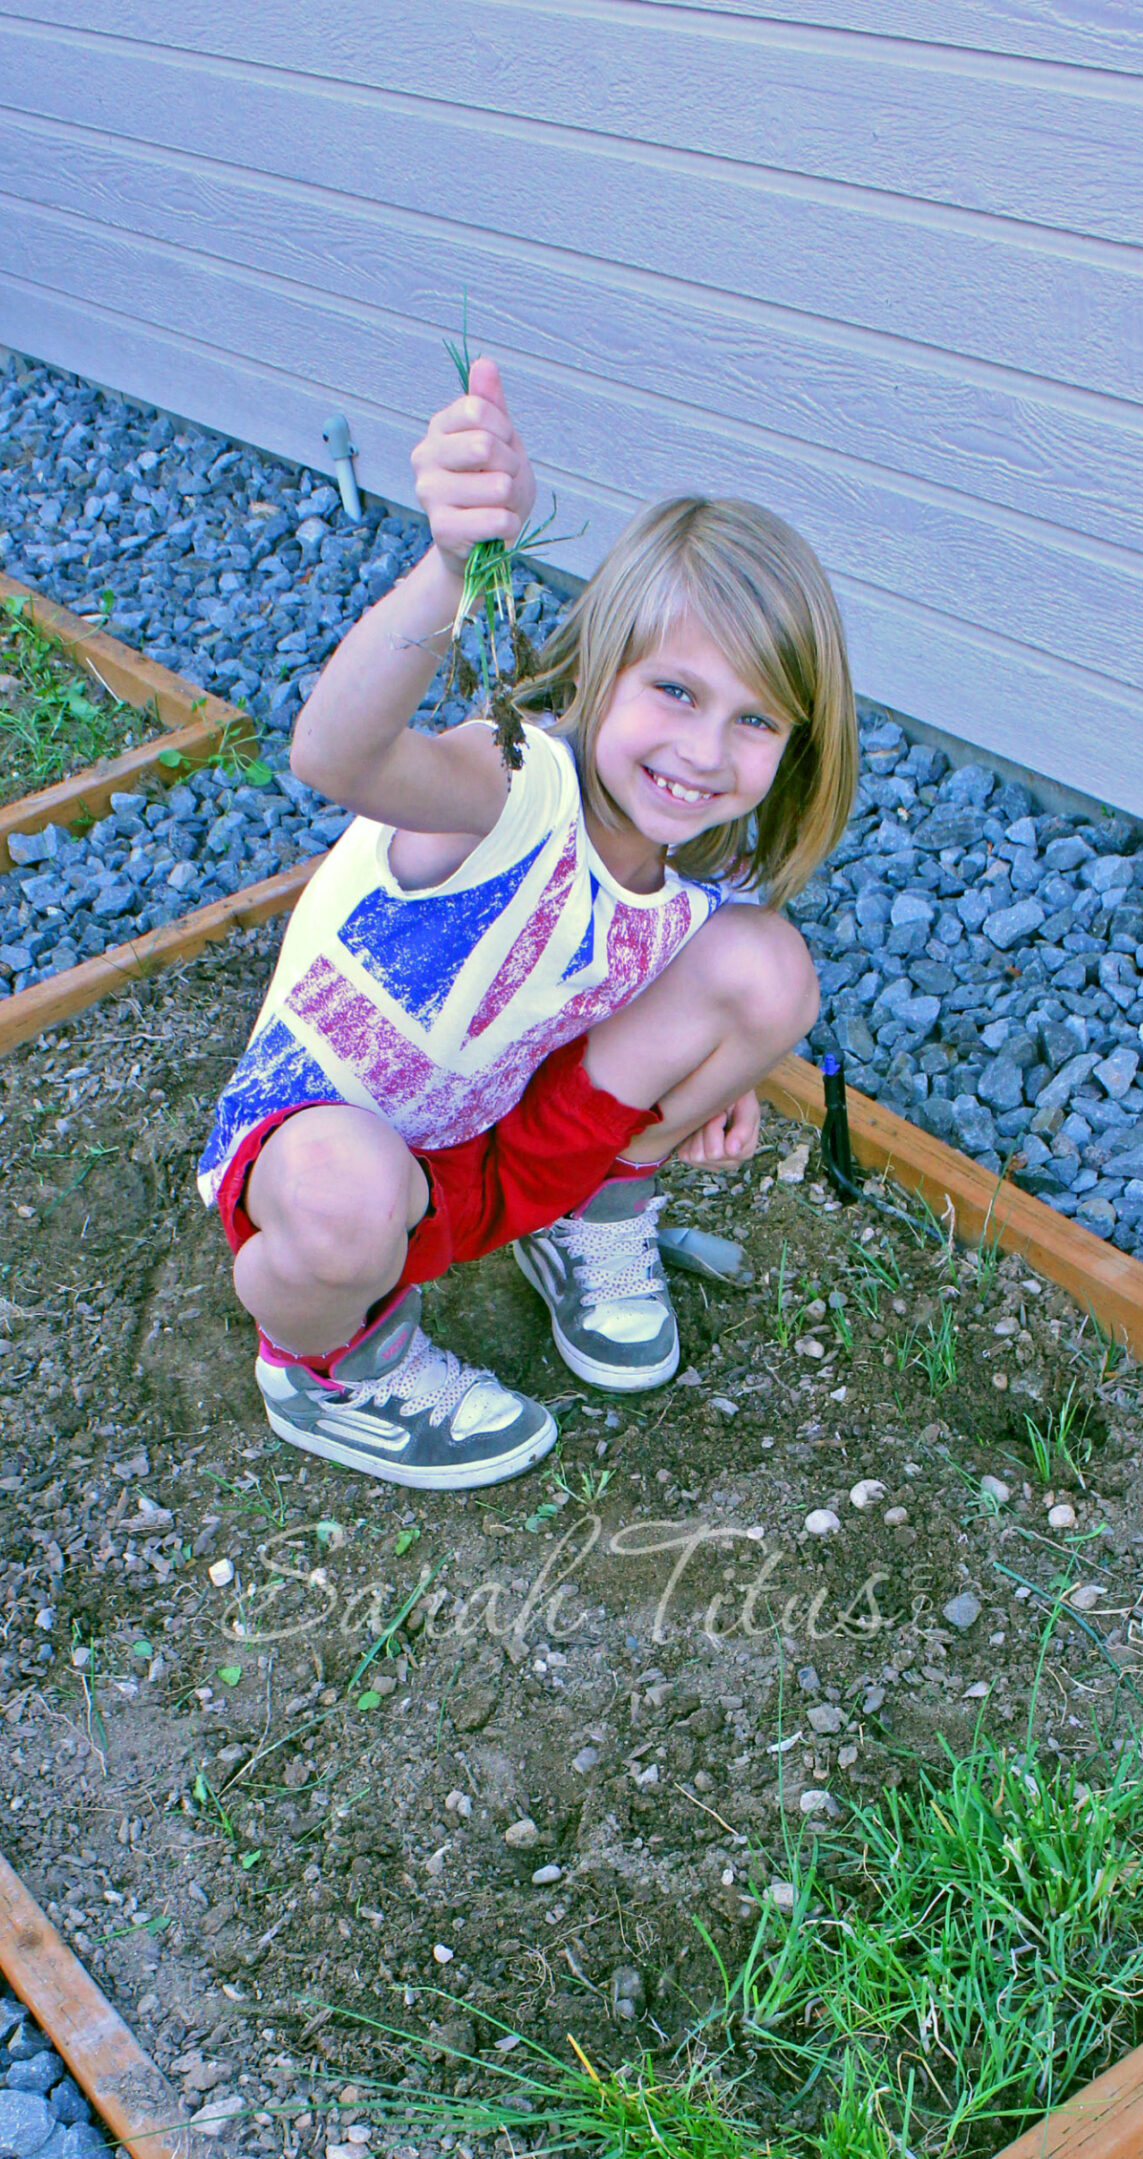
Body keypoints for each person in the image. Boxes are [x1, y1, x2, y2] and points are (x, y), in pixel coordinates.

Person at [199, 356, 857, 1486]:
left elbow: (696, 977)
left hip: (499, 1136)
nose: (705, 754)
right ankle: (327, 1366)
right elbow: (333, 755)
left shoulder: (706, 853)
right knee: (348, 1203)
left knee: (770, 974)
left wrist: (716, 1080)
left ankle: (594, 1211)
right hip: (342, 1152)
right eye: (678, 693)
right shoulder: (513, 786)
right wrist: (450, 568)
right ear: (599, 668)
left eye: (757, 721)